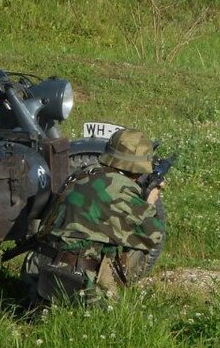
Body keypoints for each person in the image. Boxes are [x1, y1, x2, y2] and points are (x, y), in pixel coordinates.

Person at [23, 128, 167, 306]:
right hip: (79, 285)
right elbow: (153, 236)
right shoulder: (120, 189)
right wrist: (150, 201)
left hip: (37, 273)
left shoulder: (85, 173)